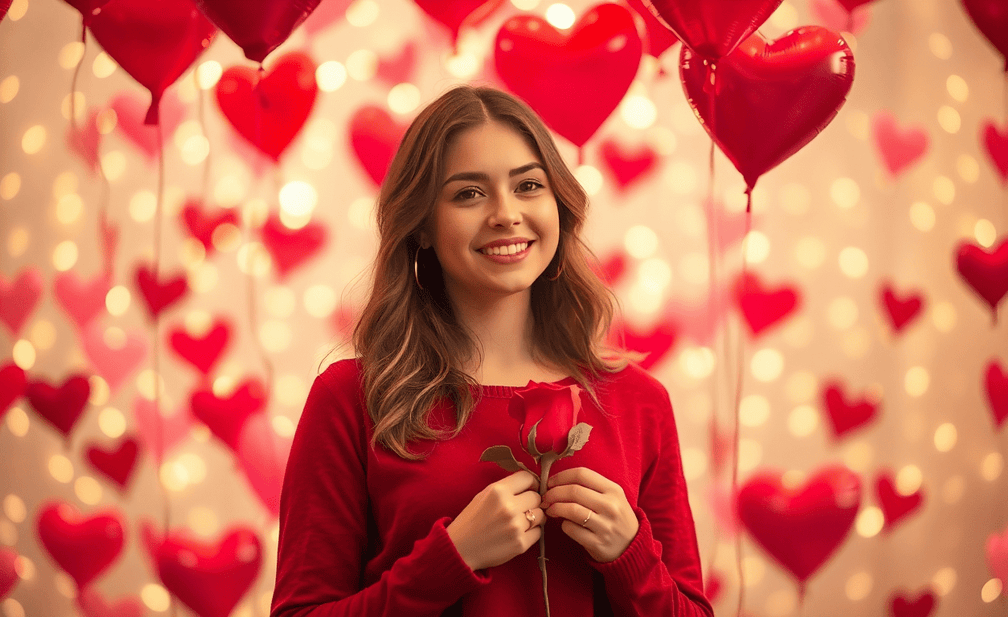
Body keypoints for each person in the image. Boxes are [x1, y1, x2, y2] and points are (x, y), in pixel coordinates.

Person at [270, 85, 713, 617]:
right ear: (423, 226)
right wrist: (450, 559)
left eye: (528, 185)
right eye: (468, 194)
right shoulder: (351, 400)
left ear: (559, 206)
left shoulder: (639, 402)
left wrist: (630, 556)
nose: (505, 214)